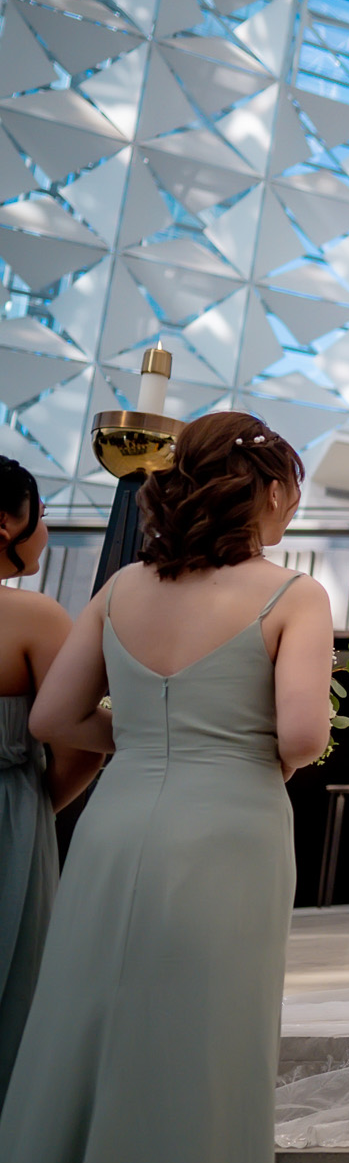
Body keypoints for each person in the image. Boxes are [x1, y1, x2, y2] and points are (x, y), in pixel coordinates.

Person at [0, 413, 333, 1163]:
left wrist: (151, 735)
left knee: (86, 1019)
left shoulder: (123, 588)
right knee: (205, 1035)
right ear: (269, 490)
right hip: (231, 828)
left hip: (117, 823)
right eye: (291, 487)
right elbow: (301, 735)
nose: (293, 504)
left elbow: (50, 718)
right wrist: (233, 746)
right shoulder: (294, 594)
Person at [0, 460, 101, 1104]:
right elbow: (81, 747)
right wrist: (34, 809)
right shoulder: (35, 618)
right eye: (42, 514)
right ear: (5, 522)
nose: (47, 531)